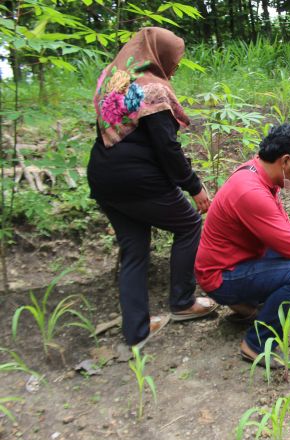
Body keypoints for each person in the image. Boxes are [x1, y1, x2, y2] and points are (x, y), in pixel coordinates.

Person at [88, 27, 217, 349]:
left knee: (134, 248)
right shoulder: (153, 89)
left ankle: (137, 330)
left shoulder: (113, 78)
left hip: (103, 176)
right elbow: (167, 147)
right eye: (175, 57)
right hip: (138, 179)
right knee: (188, 225)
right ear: (160, 53)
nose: (176, 64)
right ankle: (183, 302)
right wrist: (194, 187)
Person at [195, 124, 290, 366]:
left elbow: (283, 233)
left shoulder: (257, 174)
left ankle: (246, 306)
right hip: (222, 276)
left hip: (234, 263)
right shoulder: (250, 191)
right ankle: (256, 345)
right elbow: (289, 244)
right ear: (286, 161)